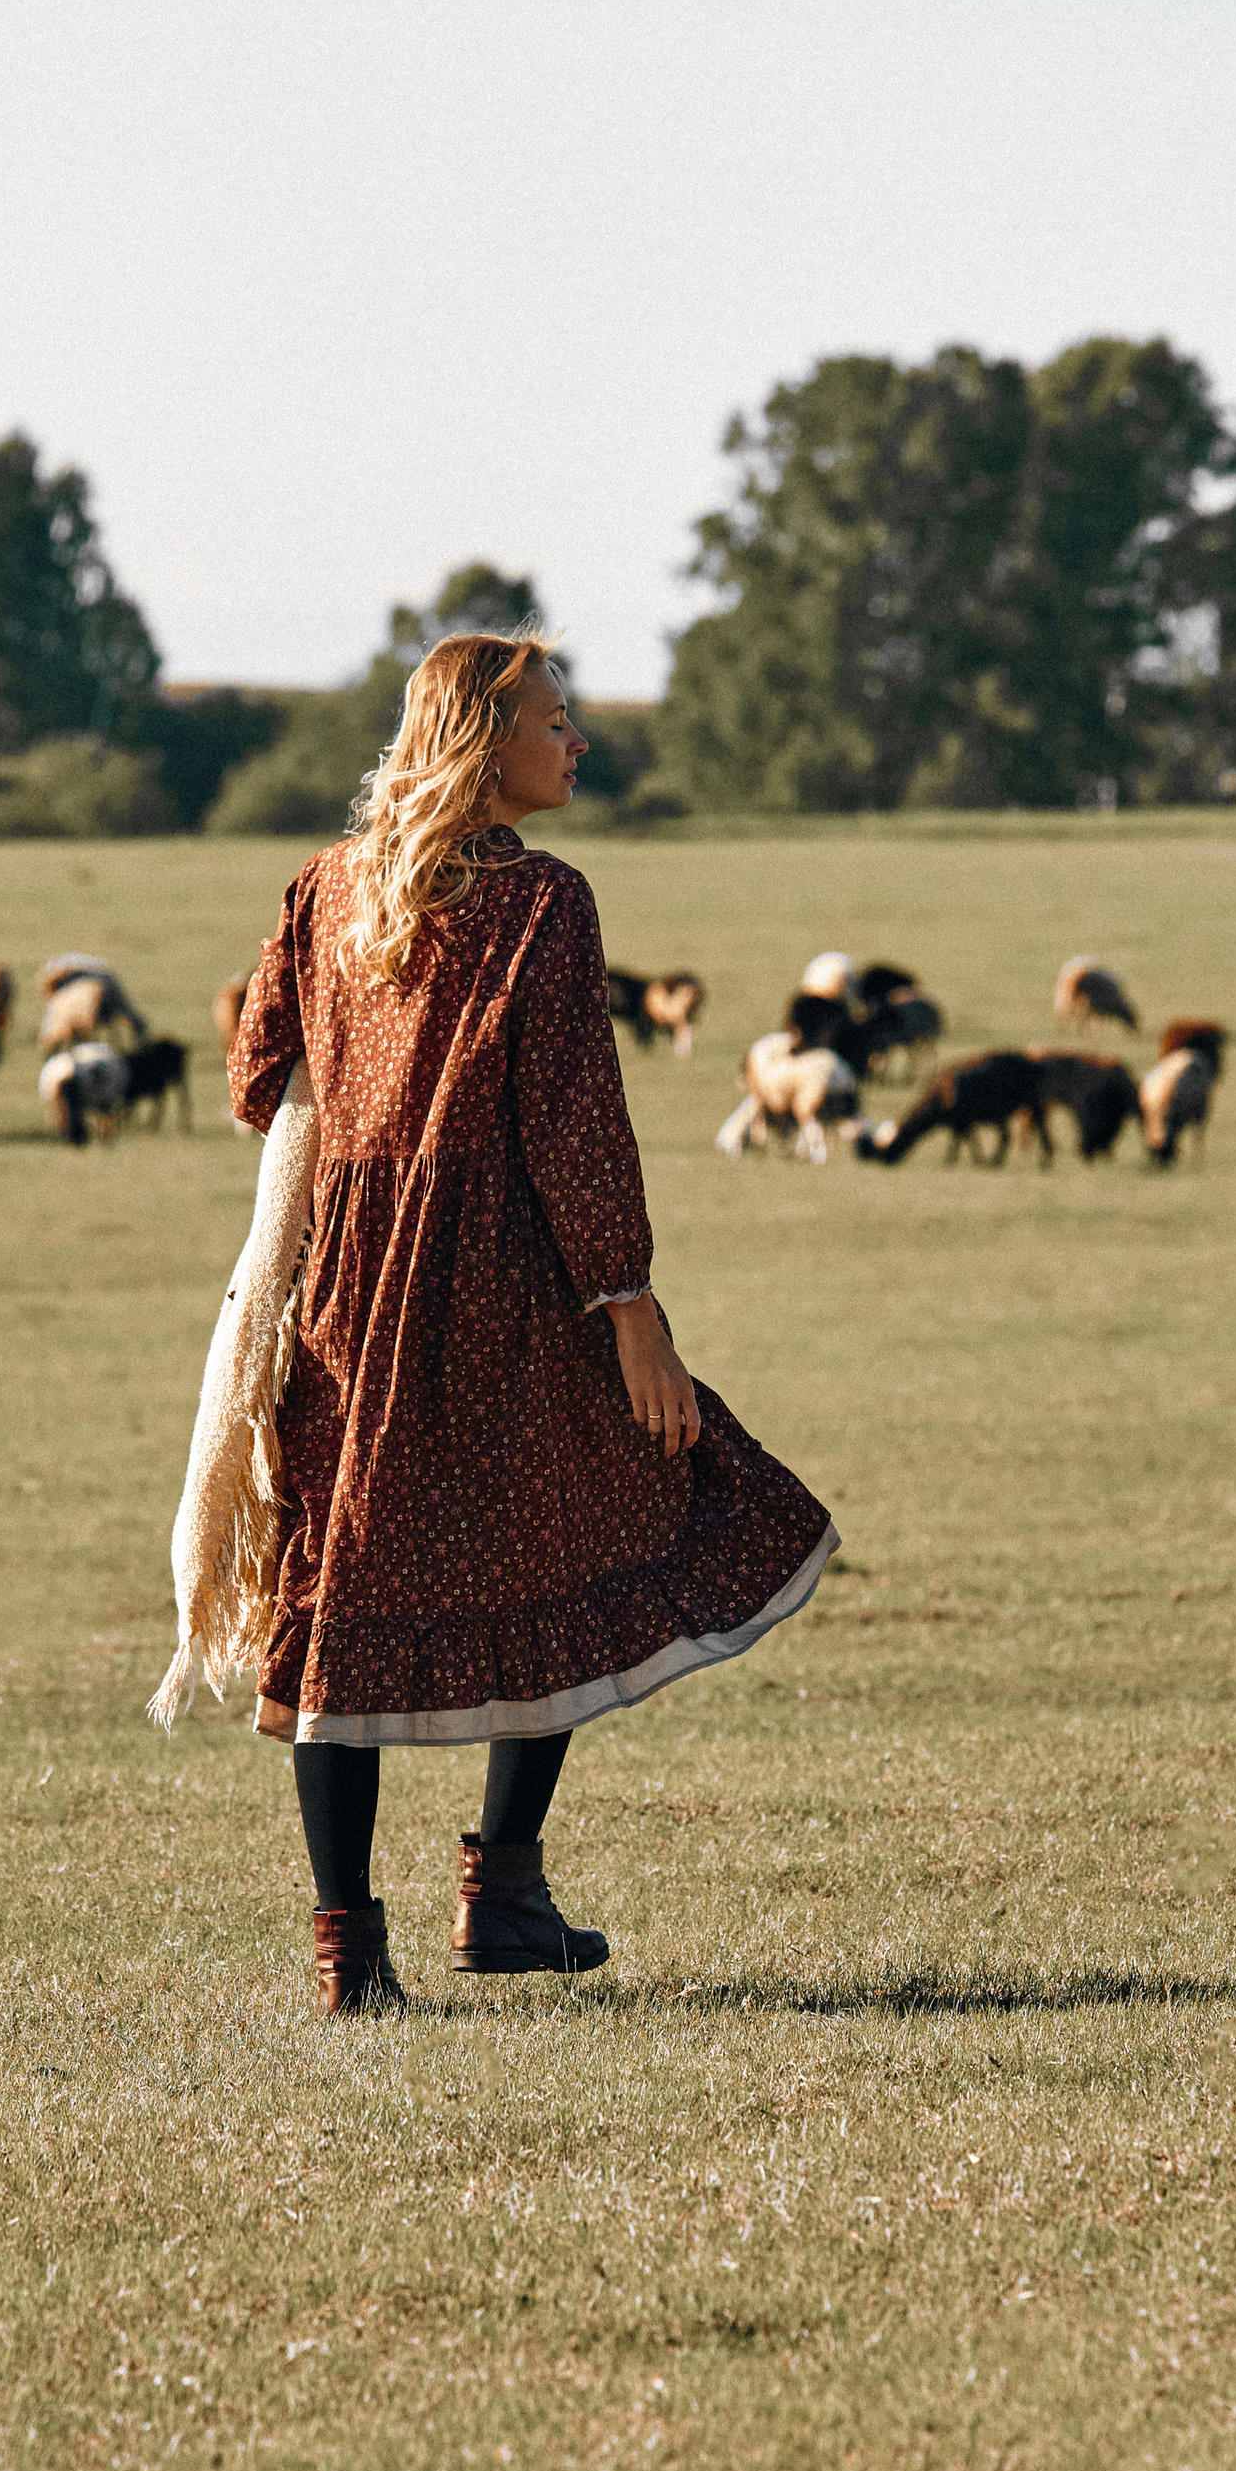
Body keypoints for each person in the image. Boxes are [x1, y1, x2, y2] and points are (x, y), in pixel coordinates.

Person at [220, 630, 836, 2013]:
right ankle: (498, 1887)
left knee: (341, 1578)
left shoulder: (325, 885)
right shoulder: (544, 901)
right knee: (593, 1515)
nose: (578, 743)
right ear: (486, 742)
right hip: (505, 1273)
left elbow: (258, 1071)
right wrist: (634, 1311)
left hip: (345, 1285)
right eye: (557, 722)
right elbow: (574, 1120)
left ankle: (358, 1949)